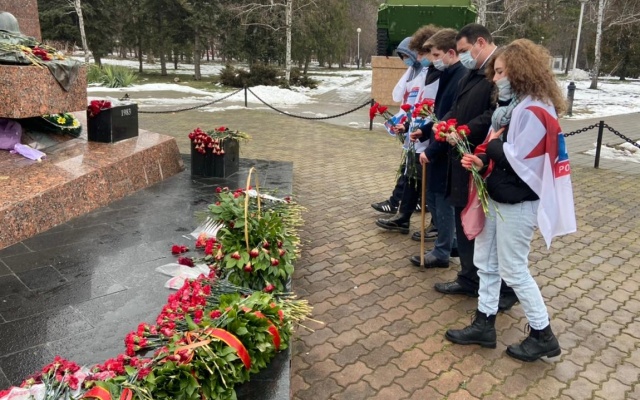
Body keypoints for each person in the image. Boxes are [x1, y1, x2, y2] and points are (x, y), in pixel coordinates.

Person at [445, 39, 576, 362]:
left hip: (517, 202)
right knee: (486, 262)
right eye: (495, 72)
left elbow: (522, 161)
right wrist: (483, 163)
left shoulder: (533, 110)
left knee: (514, 269)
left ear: (520, 71)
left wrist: (491, 149)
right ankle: (484, 323)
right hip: (502, 195)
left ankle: (543, 334)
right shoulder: (517, 108)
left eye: (501, 72)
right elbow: (510, 159)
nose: (495, 78)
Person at [430, 23, 519, 311]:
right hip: (463, 157)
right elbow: (458, 107)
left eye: (465, 50)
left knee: (486, 229)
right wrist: (446, 124)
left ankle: (504, 288)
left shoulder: (501, 72)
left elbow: (496, 114)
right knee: (464, 219)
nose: (463, 56)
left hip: (485, 160)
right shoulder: (472, 71)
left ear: (481, 42)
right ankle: (469, 277)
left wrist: (466, 129)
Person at [405, 28, 465, 268]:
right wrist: (426, 130)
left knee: (442, 201)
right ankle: (449, 243)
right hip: (439, 142)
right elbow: (441, 114)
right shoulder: (449, 73)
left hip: (446, 149)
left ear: (451, 53)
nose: (433, 60)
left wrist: (432, 149)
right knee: (434, 196)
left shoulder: (459, 76)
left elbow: (452, 117)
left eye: (437, 55)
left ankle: (442, 251)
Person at [373, 26, 441, 235]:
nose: (418, 58)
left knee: (428, 182)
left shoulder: (443, 73)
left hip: (432, 136)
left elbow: (439, 106)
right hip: (418, 133)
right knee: (412, 177)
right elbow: (416, 103)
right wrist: (407, 122)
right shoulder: (425, 72)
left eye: (421, 53)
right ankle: (403, 216)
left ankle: (437, 225)